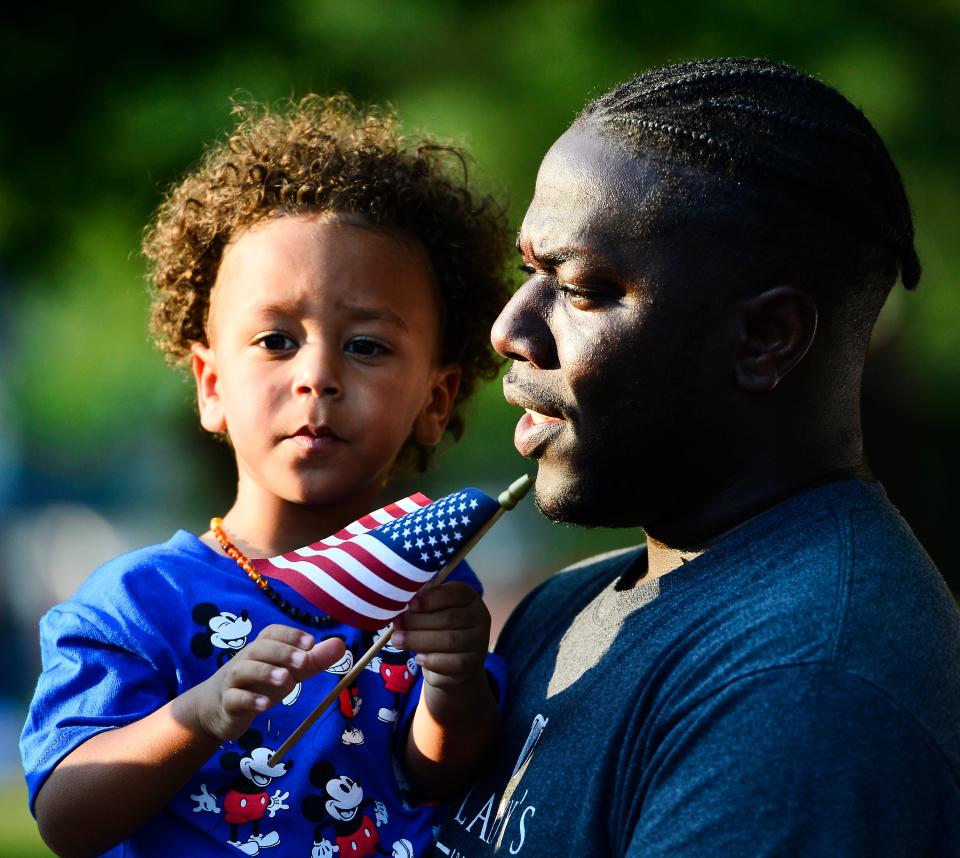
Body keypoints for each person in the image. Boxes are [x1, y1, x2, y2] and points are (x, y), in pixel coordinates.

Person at [433, 58, 960, 856]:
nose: (511, 329)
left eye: (578, 288)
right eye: (527, 272)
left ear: (764, 338)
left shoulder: (804, 687)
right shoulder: (562, 607)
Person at [21, 95, 513, 858]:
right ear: (211, 386)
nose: (317, 376)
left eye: (369, 347)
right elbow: (65, 817)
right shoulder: (139, 603)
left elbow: (438, 779)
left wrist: (454, 685)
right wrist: (202, 713)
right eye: (277, 339)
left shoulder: (428, 576)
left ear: (436, 397)